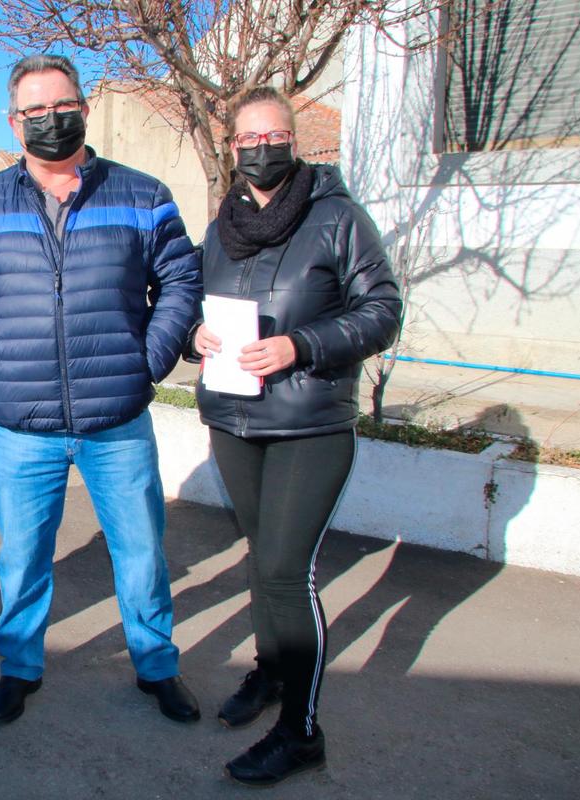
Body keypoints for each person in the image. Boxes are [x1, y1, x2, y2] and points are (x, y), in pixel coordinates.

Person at [0, 54, 203, 726]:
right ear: (13, 121)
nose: (51, 120)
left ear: (82, 106)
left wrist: (150, 359)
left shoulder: (143, 195)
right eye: (35, 111)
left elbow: (181, 282)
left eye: (62, 105)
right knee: (23, 557)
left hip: (118, 419)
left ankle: (157, 664)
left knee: (139, 550)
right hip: (24, 424)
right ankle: (20, 667)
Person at [188, 87, 402, 786]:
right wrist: (194, 334)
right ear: (232, 148)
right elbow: (189, 304)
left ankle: (301, 732)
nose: (259, 148)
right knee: (262, 561)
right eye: (246, 139)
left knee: (286, 572)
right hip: (235, 420)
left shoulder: (336, 217)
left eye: (271, 135)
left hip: (310, 422)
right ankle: (270, 674)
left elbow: (383, 310)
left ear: (294, 140)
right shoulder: (220, 227)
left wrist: (300, 346)